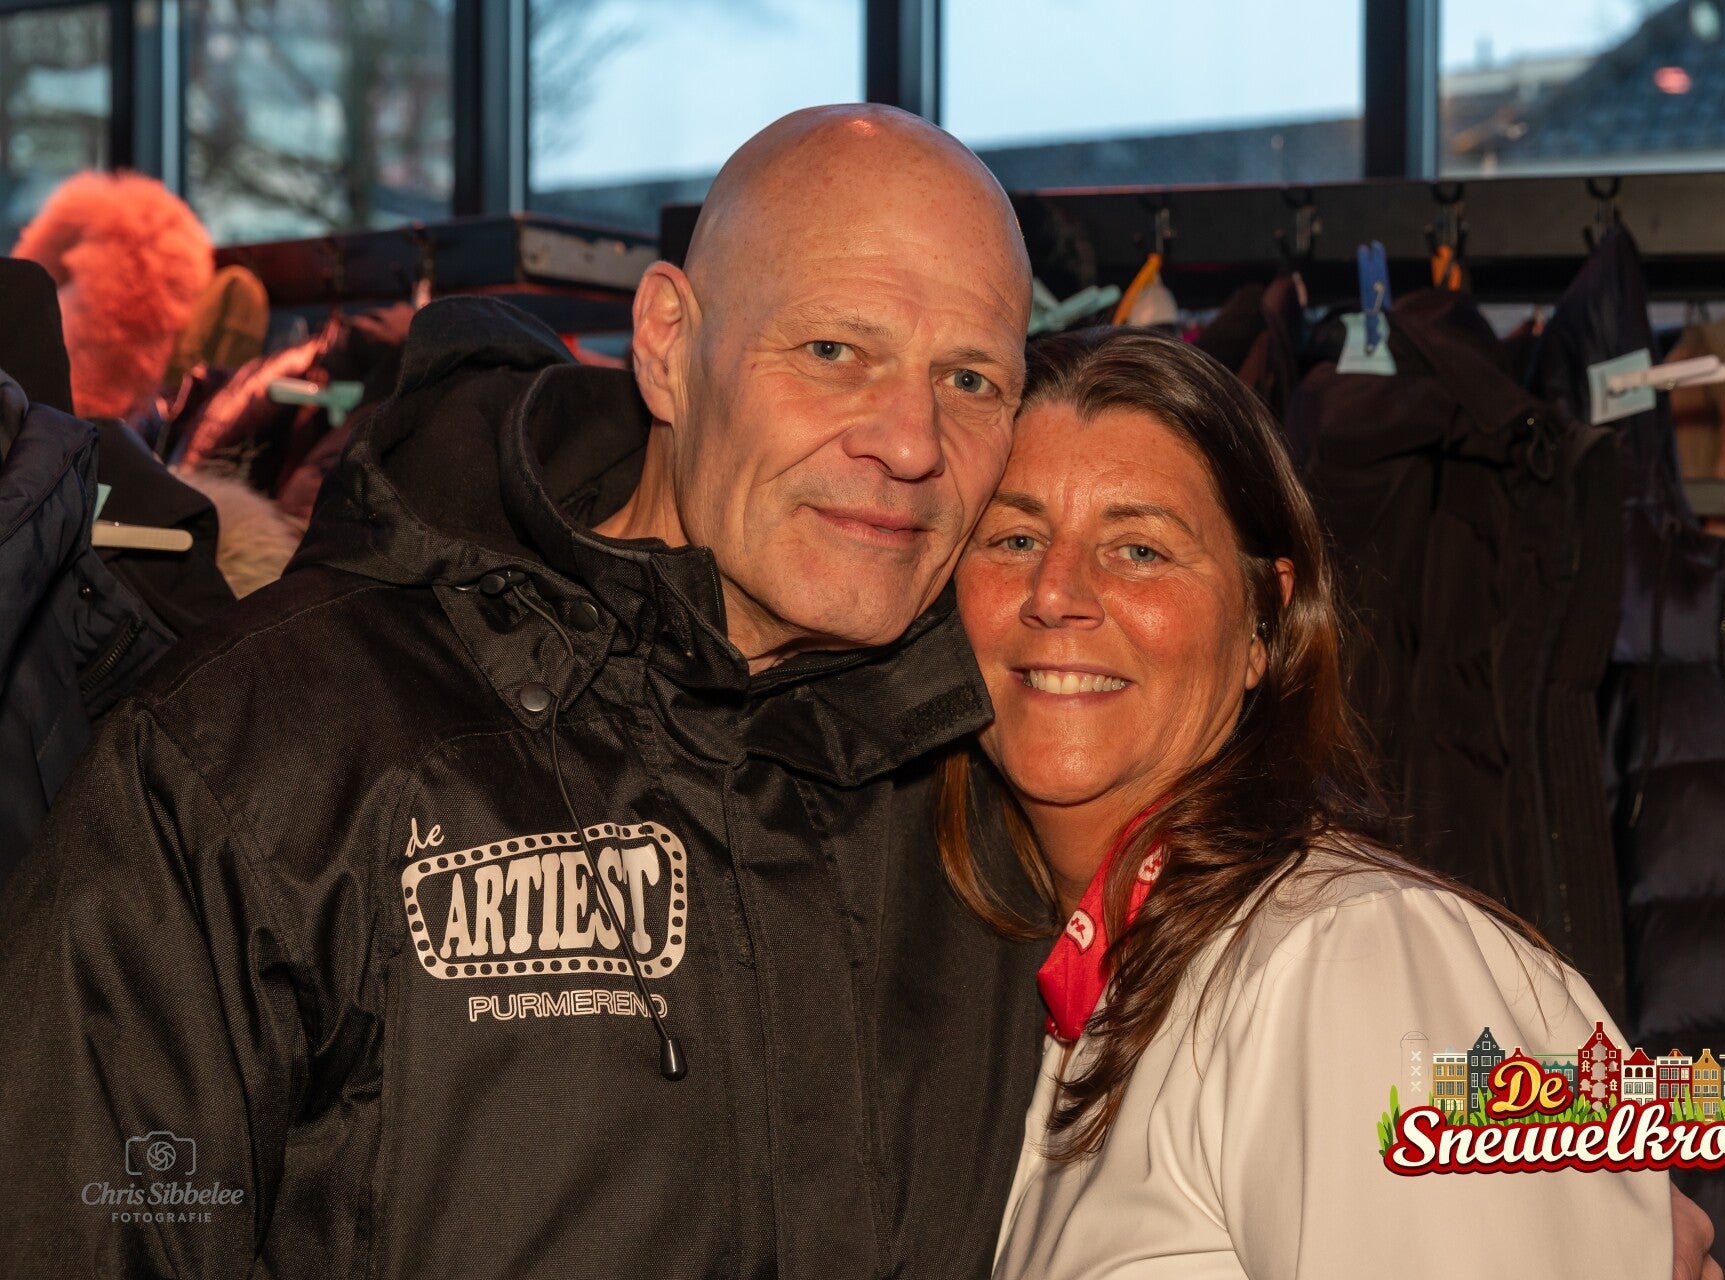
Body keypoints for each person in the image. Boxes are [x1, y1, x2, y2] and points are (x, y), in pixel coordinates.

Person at [0, 105, 1049, 1279]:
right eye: (834, 352)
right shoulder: (260, 755)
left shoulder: (1013, 786)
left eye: (970, 377)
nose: (910, 443)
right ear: (666, 343)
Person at [941, 327, 1723, 1279]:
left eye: (1139, 549)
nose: (1056, 593)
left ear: (1263, 624)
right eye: (1015, 539)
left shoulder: (1345, 956)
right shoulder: (1061, 977)